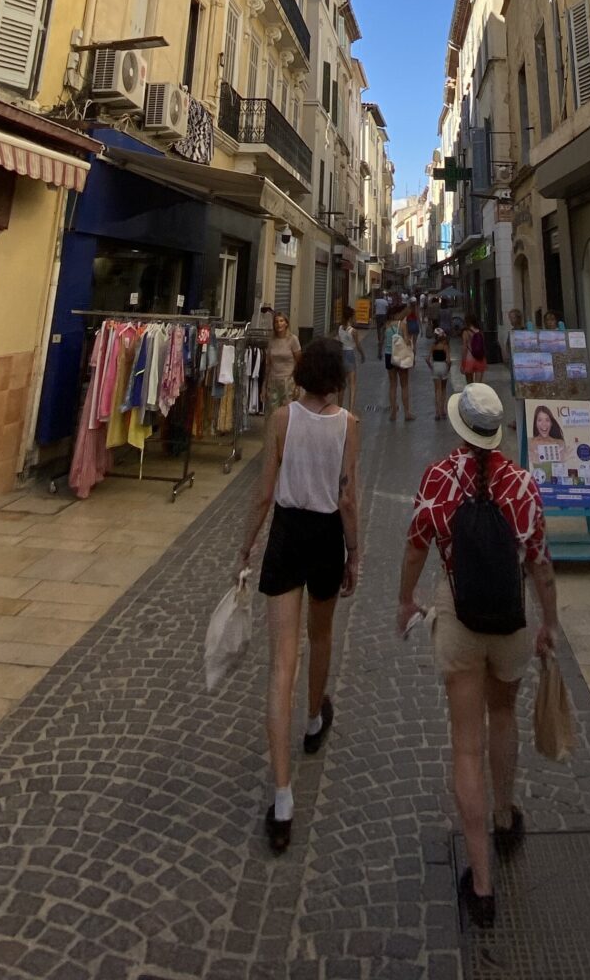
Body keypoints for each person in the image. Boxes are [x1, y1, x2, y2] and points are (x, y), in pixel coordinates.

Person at [397, 383, 559, 928]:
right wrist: (549, 623)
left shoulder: (439, 479)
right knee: (504, 714)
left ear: (460, 428)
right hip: (511, 620)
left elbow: (417, 544)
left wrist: (404, 601)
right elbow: (539, 561)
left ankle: (482, 884)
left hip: (460, 618)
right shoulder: (521, 484)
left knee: (466, 746)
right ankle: (505, 814)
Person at [239, 341, 360, 853]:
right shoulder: (349, 425)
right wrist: (356, 552)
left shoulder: (284, 418)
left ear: (304, 373)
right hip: (327, 536)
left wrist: (246, 546)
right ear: (338, 378)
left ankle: (283, 797)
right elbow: (348, 495)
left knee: (279, 664)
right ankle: (314, 717)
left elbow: (265, 491)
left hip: (287, 535)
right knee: (322, 632)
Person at [264, 310, 301, 413]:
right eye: (276, 322)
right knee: (272, 414)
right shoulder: (272, 341)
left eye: (281, 321)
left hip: (288, 382)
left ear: (286, 323)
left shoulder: (293, 340)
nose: (279, 324)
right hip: (273, 381)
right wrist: (264, 386)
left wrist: (298, 385)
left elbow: (299, 363)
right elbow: (268, 365)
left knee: (287, 413)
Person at [388, 308, 417, 421]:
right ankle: (406, 413)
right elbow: (406, 340)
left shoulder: (387, 325)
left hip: (388, 356)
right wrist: (410, 340)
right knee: (404, 385)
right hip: (400, 357)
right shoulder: (402, 325)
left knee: (392, 386)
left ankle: (393, 413)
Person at [337, 312, 364, 411]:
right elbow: (357, 345)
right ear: (351, 318)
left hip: (341, 355)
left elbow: (339, 342)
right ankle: (351, 410)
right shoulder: (353, 331)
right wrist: (362, 354)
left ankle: (339, 407)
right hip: (350, 355)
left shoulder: (340, 328)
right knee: (352, 384)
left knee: (341, 384)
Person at [428, 325, 452, 422]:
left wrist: (431, 367)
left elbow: (427, 359)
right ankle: (443, 410)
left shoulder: (433, 346)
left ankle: (437, 412)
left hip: (435, 366)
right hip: (443, 366)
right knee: (443, 390)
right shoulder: (445, 346)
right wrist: (448, 368)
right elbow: (449, 360)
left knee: (437, 390)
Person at [462, 318, 487, 385]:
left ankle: (471, 395)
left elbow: (464, 348)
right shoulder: (480, 332)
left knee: (469, 385)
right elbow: (483, 346)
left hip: (469, 360)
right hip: (480, 359)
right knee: (478, 385)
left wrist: (463, 363)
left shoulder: (466, 332)